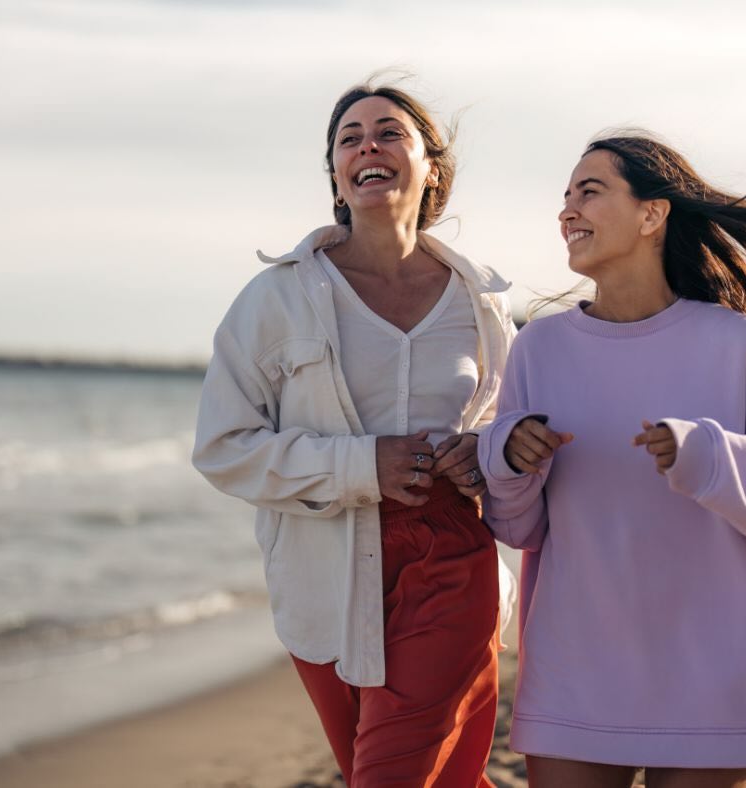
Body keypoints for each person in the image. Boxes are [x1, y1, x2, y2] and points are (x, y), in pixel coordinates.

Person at [477, 129, 746, 788]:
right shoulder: (537, 348)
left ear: (652, 213)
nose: (567, 210)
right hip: (578, 668)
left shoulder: (735, 343)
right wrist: (511, 458)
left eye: (590, 191)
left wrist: (713, 458)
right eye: (565, 196)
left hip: (717, 670)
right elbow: (518, 530)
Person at [192, 81, 517, 787]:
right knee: (431, 775)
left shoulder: (481, 304)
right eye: (350, 137)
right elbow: (222, 448)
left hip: (451, 558)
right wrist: (362, 466)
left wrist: (481, 455)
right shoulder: (276, 298)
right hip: (320, 574)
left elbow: (504, 430)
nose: (368, 144)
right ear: (337, 174)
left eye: (389, 131)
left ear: (431, 165)